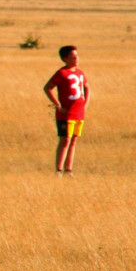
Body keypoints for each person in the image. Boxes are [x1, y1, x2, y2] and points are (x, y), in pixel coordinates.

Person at [43, 45, 89, 176]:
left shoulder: (80, 73)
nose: (76, 58)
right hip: (66, 113)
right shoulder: (62, 73)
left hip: (79, 112)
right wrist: (58, 104)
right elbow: (47, 88)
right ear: (65, 58)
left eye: (77, 56)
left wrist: (85, 103)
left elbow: (87, 87)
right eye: (73, 56)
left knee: (74, 140)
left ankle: (69, 169)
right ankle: (58, 169)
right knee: (65, 140)